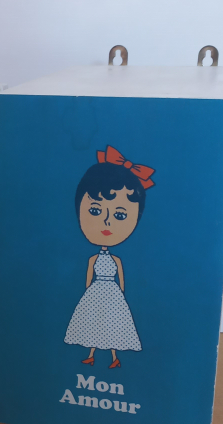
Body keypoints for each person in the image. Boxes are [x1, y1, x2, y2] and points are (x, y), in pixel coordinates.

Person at [64, 145, 155, 370]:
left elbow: (121, 280)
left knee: (113, 325)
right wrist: (89, 294)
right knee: (94, 323)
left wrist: (120, 295)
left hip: (112, 294)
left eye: (120, 215)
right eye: (95, 211)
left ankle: (115, 357)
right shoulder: (92, 259)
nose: (107, 221)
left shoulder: (117, 261)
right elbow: (88, 278)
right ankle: (91, 355)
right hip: (96, 292)